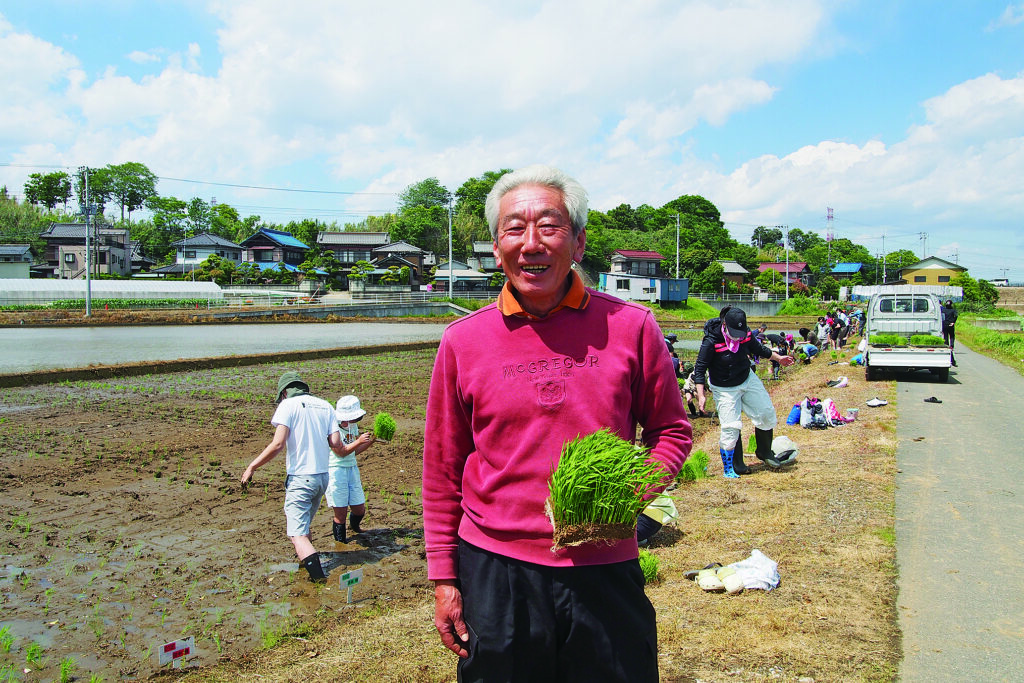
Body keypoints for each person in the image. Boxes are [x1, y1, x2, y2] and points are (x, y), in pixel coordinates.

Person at [422, 165, 691, 682]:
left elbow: (672, 431)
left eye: (549, 226)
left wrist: (625, 494)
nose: (531, 243)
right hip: (496, 569)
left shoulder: (631, 327)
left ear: (579, 242)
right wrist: (444, 578)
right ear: (496, 248)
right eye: (514, 229)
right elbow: (442, 468)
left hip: (603, 563)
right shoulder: (463, 341)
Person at [241, 371, 351, 582]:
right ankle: (306, 565)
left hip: (301, 478)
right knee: (304, 526)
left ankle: (319, 579)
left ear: (284, 392)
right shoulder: (325, 405)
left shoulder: (287, 406)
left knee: (297, 534)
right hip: (322, 477)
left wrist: (252, 466)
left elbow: (278, 444)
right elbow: (336, 444)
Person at [693, 306, 796, 478]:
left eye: (740, 332)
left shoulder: (746, 334)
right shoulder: (711, 341)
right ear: (724, 324)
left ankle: (765, 452)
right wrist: (701, 395)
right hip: (724, 388)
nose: (738, 336)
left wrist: (779, 358)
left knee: (765, 412)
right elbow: (700, 368)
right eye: (734, 332)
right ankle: (735, 465)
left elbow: (759, 349)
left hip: (746, 378)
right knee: (731, 426)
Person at [327, 395, 376, 543]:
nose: (356, 421)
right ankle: (341, 543)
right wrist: (359, 440)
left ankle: (356, 528)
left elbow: (354, 451)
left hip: (352, 468)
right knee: (340, 514)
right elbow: (341, 452)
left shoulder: (351, 425)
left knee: (359, 509)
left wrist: (371, 441)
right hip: (336, 471)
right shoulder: (332, 427)